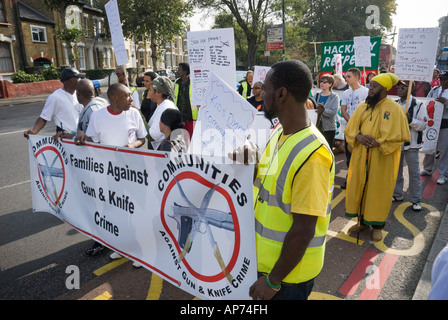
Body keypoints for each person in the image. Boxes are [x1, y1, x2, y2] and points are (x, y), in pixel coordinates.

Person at [231, 60, 335, 300]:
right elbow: (268, 181)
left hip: (287, 280)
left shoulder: (313, 154)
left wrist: (272, 281)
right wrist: (252, 160)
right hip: (267, 265)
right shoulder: (280, 131)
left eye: (264, 88)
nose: (260, 93)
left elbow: (303, 229)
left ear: (281, 94)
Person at [83, 83, 147, 267]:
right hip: (109, 174)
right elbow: (91, 140)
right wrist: (80, 135)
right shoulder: (98, 116)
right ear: (114, 98)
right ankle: (121, 248)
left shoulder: (134, 113)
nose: (132, 99)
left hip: (133, 172)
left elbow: (142, 138)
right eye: (127, 95)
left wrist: (132, 145)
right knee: (116, 210)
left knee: (136, 211)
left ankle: (140, 253)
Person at [345, 73, 410, 242]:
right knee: (361, 188)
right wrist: (358, 137)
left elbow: (401, 136)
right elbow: (350, 129)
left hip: (382, 159)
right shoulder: (362, 107)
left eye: (374, 86)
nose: (370, 89)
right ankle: (362, 222)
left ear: (384, 89)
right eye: (370, 85)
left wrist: (379, 143)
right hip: (361, 156)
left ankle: (377, 226)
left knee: (378, 191)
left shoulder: (395, 109)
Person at [53, 79, 108, 256]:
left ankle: (101, 241)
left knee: (97, 205)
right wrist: (68, 135)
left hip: (95, 166)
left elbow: (95, 137)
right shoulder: (96, 105)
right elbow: (85, 134)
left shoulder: (92, 110)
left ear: (78, 94)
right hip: (95, 165)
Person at [24, 67, 85, 139]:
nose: (80, 80)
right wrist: (34, 131)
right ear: (71, 81)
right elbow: (43, 118)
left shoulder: (79, 94)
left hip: (79, 135)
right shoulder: (55, 97)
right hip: (64, 137)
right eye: (78, 78)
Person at [393, 81, 426, 211]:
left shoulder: (418, 105)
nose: (399, 89)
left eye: (403, 87)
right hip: (396, 143)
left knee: (414, 173)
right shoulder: (394, 104)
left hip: (411, 144)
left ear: (410, 88)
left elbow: (423, 125)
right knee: (396, 171)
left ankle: (416, 199)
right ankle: (397, 194)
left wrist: (410, 120)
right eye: (398, 87)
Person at [340, 68, 369, 188]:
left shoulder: (366, 92)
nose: (346, 79)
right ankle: (350, 178)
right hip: (349, 129)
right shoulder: (346, 93)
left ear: (357, 78)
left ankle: (363, 180)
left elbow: (367, 111)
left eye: (349, 76)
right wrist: (351, 123)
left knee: (362, 156)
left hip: (362, 129)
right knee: (349, 155)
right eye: (346, 76)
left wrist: (357, 124)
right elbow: (343, 109)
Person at [421, 70, 448, 184]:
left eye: (445, 79)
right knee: (430, 146)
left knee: (444, 150)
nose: (442, 81)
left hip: (445, 124)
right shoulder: (434, 90)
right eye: (441, 79)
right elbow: (427, 102)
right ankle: (427, 169)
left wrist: (446, 103)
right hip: (432, 123)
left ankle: (443, 174)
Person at [147, 76, 178, 150]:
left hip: (163, 152)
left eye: (150, 90)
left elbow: (153, 136)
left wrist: (139, 115)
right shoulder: (163, 105)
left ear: (159, 93)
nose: (148, 93)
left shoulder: (165, 107)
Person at [314, 74, 340, 148]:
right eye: (321, 81)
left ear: (330, 84)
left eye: (324, 82)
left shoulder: (334, 96)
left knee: (328, 149)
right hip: (317, 127)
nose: (321, 83)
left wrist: (322, 111)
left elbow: (333, 113)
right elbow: (313, 110)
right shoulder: (316, 95)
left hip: (329, 128)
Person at [174, 62, 198, 139]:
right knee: (181, 139)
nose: (177, 71)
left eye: (179, 69)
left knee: (191, 138)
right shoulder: (177, 82)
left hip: (190, 117)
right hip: (179, 116)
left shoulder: (193, 83)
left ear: (185, 72)